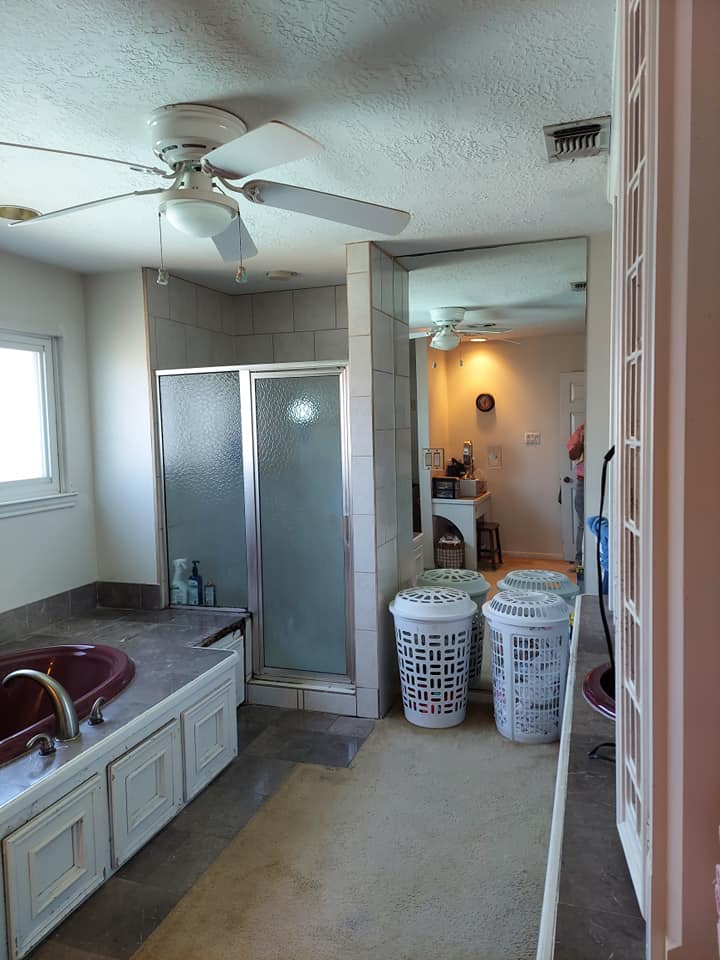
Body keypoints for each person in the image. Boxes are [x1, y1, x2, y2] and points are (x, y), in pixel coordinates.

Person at [566, 422, 585, 572]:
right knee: (583, 523)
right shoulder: (581, 431)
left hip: (601, 479)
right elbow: (572, 455)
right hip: (582, 482)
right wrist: (582, 441)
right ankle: (580, 561)